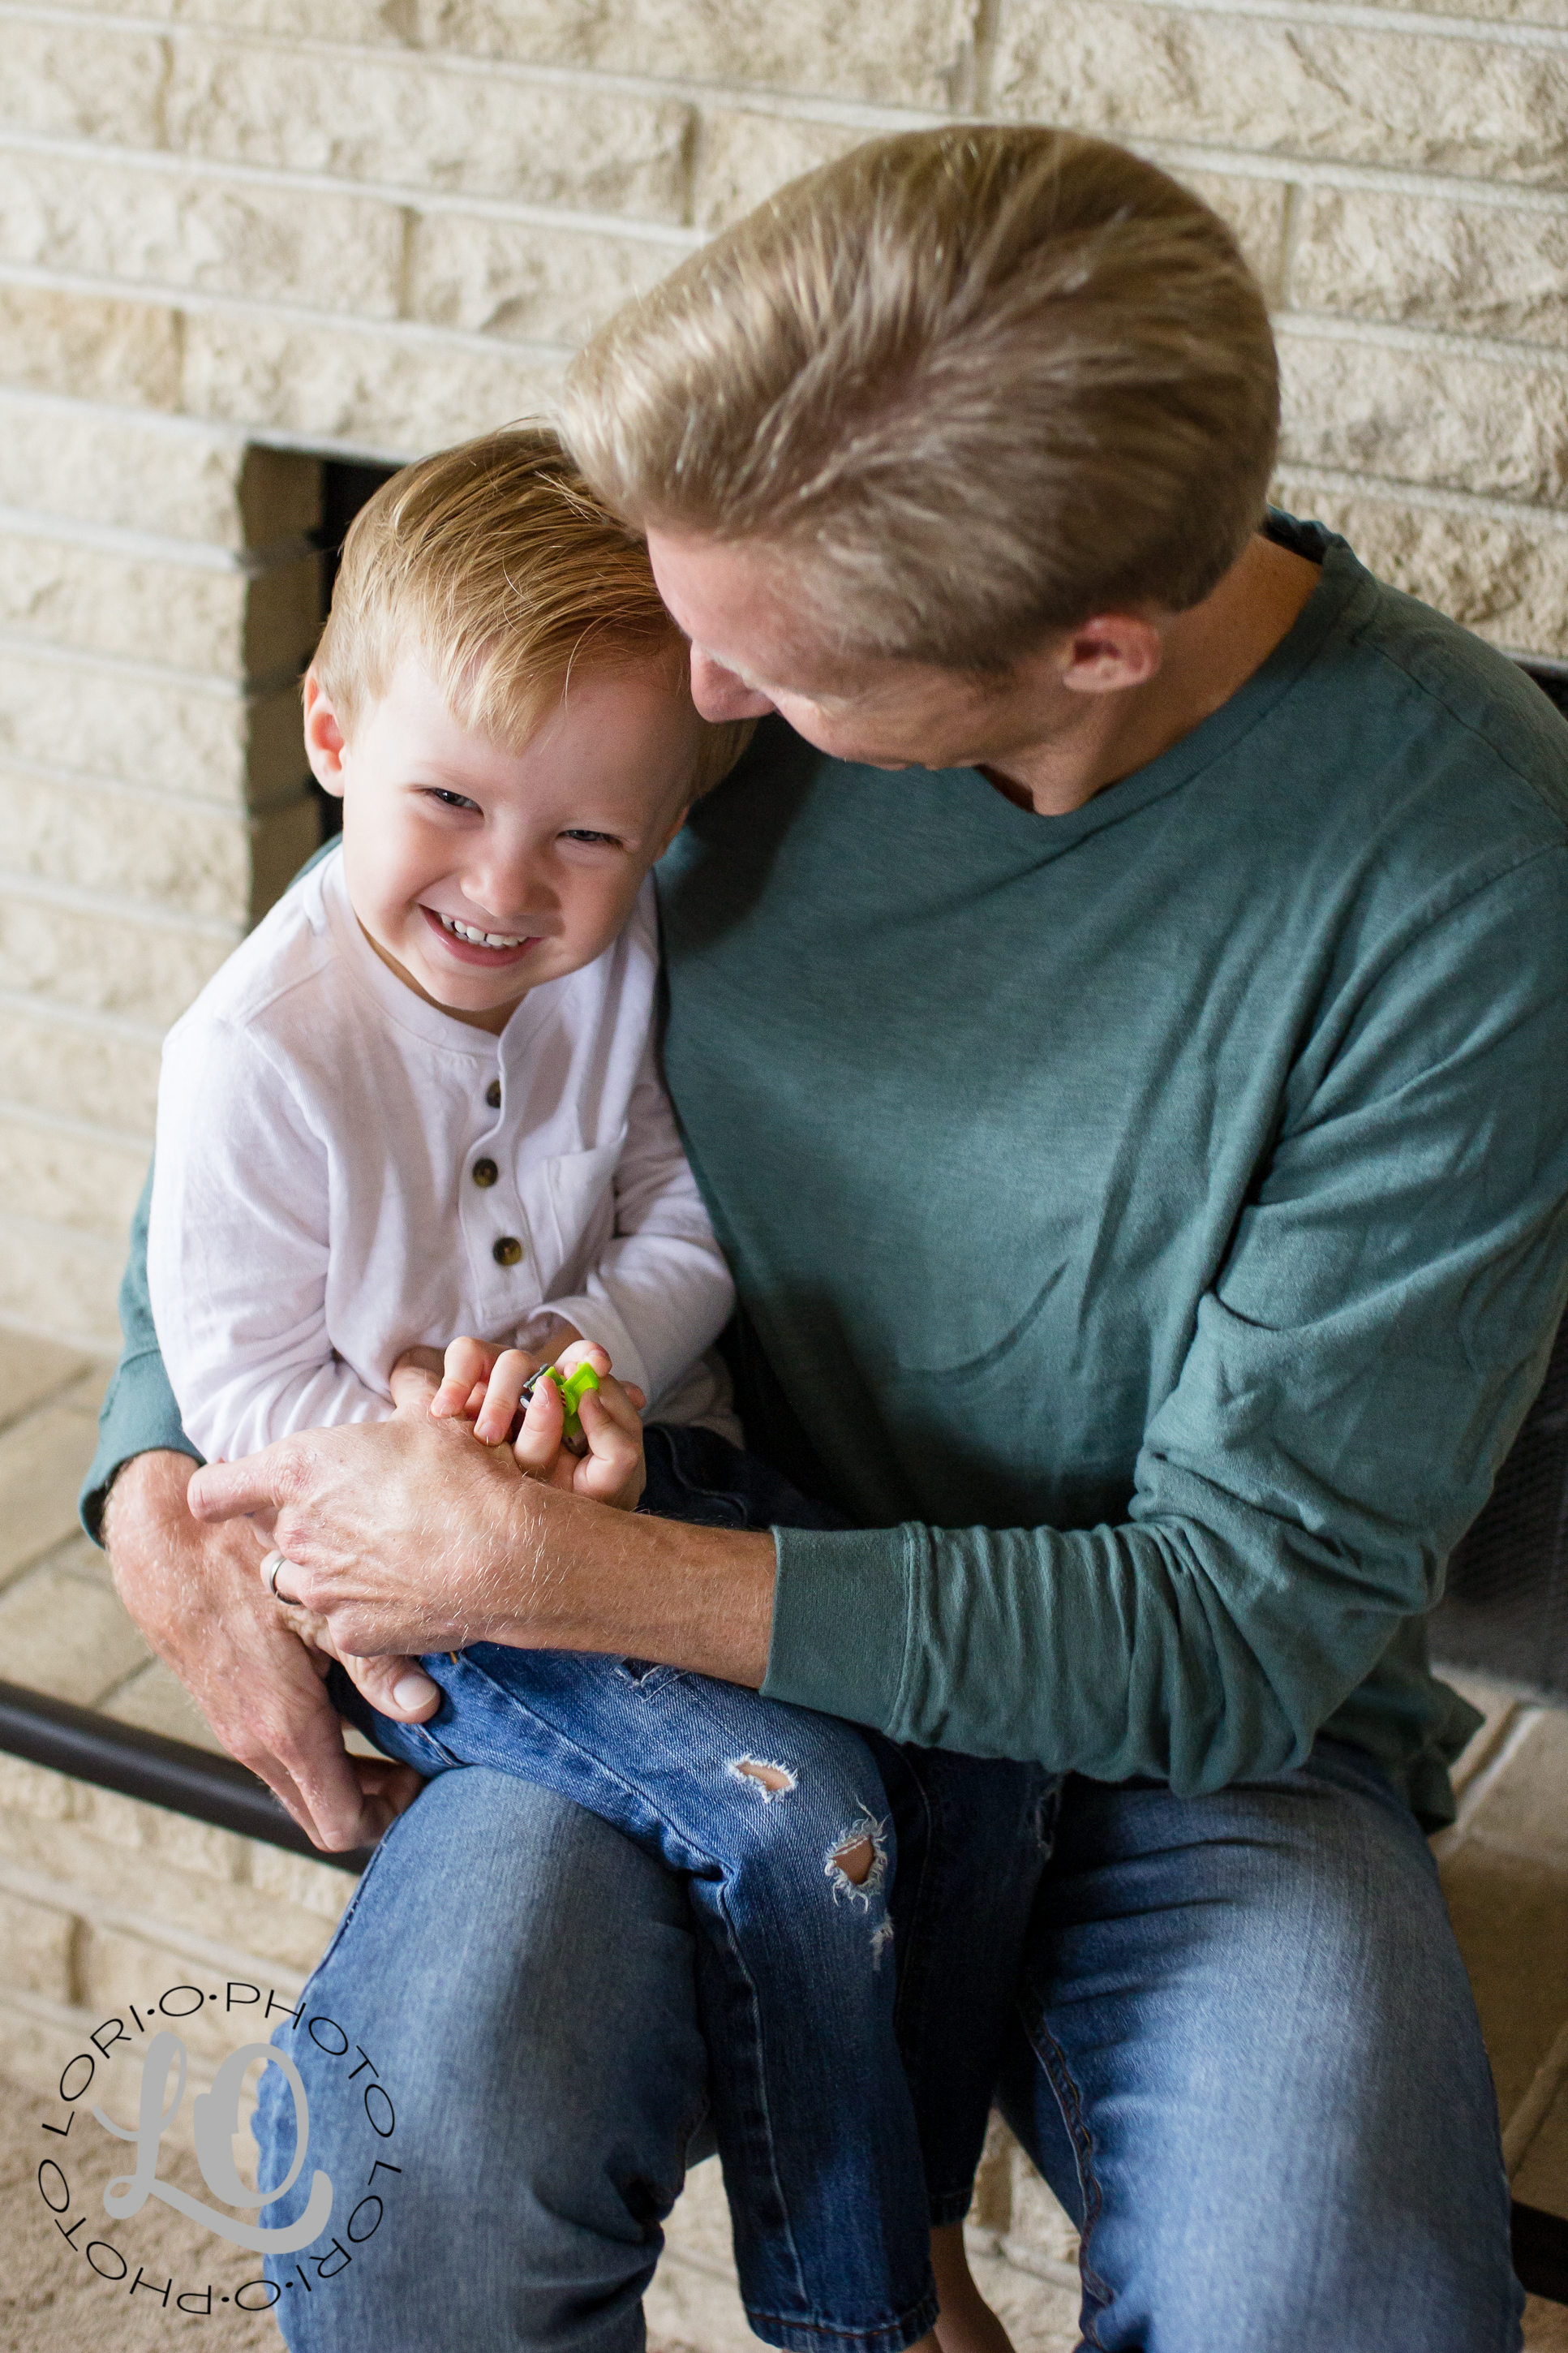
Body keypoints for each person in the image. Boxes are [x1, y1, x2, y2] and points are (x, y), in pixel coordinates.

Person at [87, 124, 1568, 2352]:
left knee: (1336, 2293)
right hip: (659, 1569)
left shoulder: (1448, 874)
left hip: (1185, 1732)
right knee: (418, 2169)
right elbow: (354, 1019)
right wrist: (147, 1458)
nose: (691, 702)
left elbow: (1237, 1624)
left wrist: (553, 1574)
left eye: (760, 679)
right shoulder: (738, 589)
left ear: (1086, 644)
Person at [140, 424, 1046, 2353]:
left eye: (584, 835)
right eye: (448, 798)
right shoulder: (259, 1057)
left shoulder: (612, 954)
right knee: (806, 1812)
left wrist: (585, 1355)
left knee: (978, 1742)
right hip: (416, 1587)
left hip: (652, 1491)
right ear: (328, 734)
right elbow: (234, 1387)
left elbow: (674, 1212)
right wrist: (432, 1466)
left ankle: (920, 2225)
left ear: (660, 830)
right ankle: (861, 2314)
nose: (503, 881)